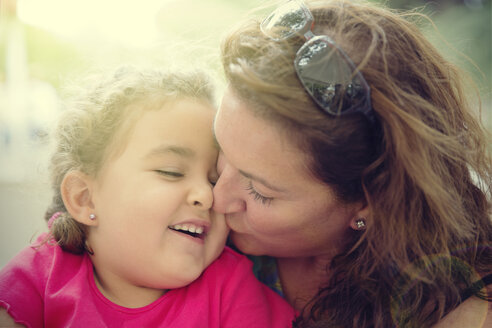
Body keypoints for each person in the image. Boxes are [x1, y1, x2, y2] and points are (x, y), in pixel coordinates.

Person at [212, 0, 492, 327]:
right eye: (218, 147)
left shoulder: (466, 314)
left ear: (368, 201)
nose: (216, 198)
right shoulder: (186, 227)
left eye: (259, 191)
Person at [0, 67, 296, 327]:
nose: (207, 196)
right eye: (171, 172)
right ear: (84, 198)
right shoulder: (39, 277)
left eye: (213, 179)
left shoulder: (231, 287)